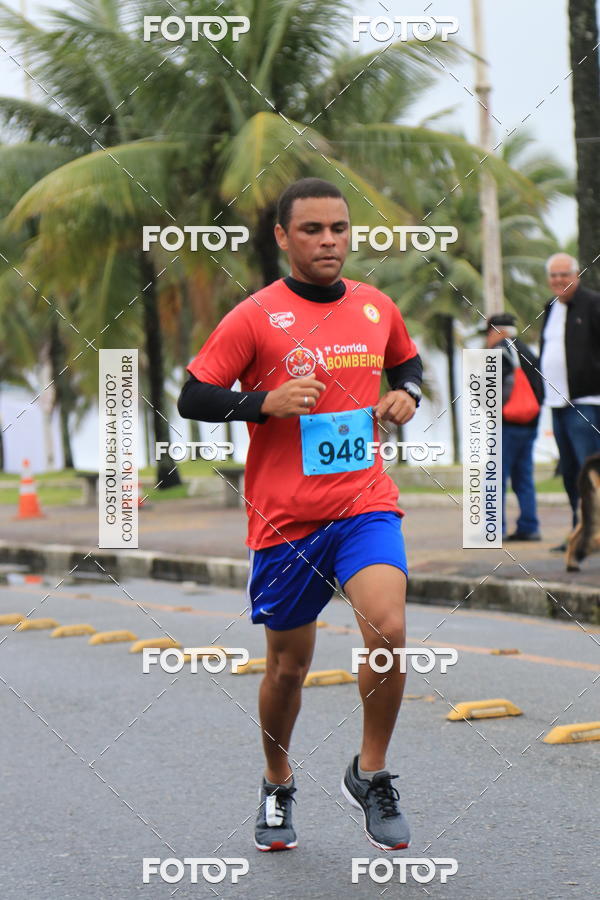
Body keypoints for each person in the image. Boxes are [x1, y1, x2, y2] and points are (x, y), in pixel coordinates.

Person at [177, 177, 423, 853]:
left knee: (390, 625)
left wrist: (407, 394)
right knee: (288, 668)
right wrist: (262, 403)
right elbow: (193, 395)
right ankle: (277, 780)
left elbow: (407, 363)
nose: (328, 241)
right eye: (311, 230)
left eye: (338, 229)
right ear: (283, 237)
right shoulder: (256, 315)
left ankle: (370, 772)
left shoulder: (376, 307)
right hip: (286, 522)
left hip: (364, 503)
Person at [540, 253, 600, 550]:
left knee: (589, 472)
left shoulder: (593, 304)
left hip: (586, 402)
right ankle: (579, 530)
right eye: (554, 275)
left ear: (577, 275)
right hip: (556, 403)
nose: (559, 280)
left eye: (564, 274)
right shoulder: (550, 308)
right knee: (570, 473)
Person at [485, 313, 543, 541]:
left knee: (495, 477)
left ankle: (494, 529)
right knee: (524, 477)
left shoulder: (499, 351)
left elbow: (487, 389)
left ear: (497, 331)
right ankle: (529, 526)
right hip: (530, 422)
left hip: (507, 423)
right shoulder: (528, 351)